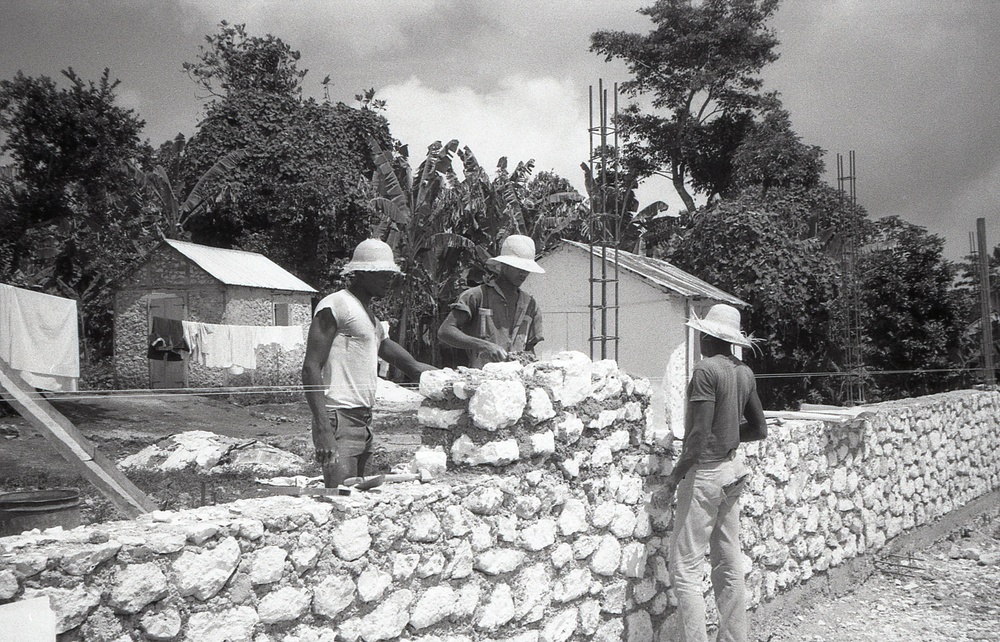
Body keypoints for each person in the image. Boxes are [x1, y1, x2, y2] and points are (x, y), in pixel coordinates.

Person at [653, 303, 767, 642]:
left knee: (685, 568)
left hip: (706, 476)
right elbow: (759, 429)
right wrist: (728, 435)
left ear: (707, 335)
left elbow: (698, 437)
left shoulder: (705, 370)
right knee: (728, 563)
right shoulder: (743, 372)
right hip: (733, 470)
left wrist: (672, 481)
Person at [302, 239, 435, 489]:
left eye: (391, 275)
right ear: (361, 273)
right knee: (341, 500)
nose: (389, 280)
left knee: (361, 501)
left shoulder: (370, 319)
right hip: (338, 417)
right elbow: (311, 367)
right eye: (383, 274)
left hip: (363, 420)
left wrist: (458, 377)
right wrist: (322, 428)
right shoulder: (336, 305)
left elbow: (412, 366)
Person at [438, 234, 544, 368]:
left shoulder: (530, 305)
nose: (524, 273)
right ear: (503, 265)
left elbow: (529, 349)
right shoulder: (476, 296)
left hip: (516, 382)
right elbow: (445, 332)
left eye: (527, 269)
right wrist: (485, 346)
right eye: (519, 268)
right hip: (481, 380)